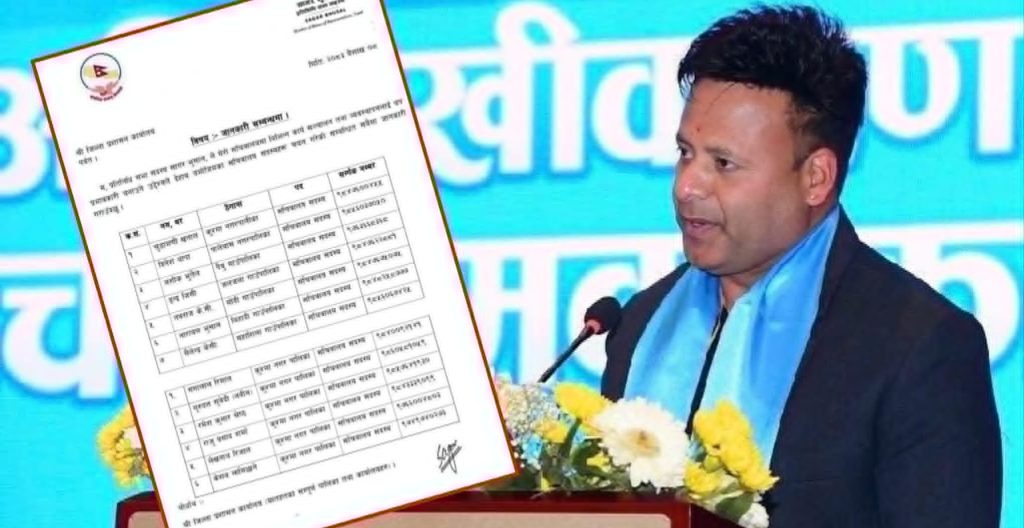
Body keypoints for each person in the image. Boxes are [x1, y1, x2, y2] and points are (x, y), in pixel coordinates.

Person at [600, 5, 1002, 527]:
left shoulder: (920, 348)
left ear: (816, 178)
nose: (687, 186)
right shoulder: (641, 323)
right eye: (684, 153)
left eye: (723, 163)